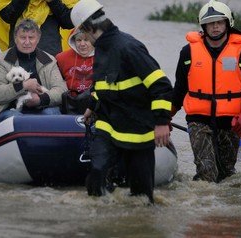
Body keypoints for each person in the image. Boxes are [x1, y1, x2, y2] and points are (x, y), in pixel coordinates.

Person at [71, 0, 173, 204]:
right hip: (109, 123)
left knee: (142, 197)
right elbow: (105, 84)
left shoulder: (128, 47)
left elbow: (161, 85)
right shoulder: (102, 47)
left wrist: (162, 122)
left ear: (89, 28)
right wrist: (92, 106)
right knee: (97, 175)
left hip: (138, 130)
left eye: (83, 31)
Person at [171, 0, 241, 183]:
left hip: (231, 123)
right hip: (198, 121)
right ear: (203, 26)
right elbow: (179, 89)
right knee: (207, 172)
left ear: (228, 24)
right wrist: (164, 117)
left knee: (227, 174)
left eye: (219, 22)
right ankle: (204, 206)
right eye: (211, 23)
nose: (215, 27)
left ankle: (225, 209)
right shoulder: (187, 53)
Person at [0, 18, 67, 128]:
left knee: (52, 114)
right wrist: (23, 86)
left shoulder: (49, 60)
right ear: (15, 39)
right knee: (17, 120)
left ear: (38, 39)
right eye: (23, 37)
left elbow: (61, 90)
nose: (27, 42)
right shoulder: (1, 60)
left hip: (42, 107)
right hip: (10, 109)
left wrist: (40, 99)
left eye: (31, 38)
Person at [0, 0, 78, 56]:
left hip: (49, 55)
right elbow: (8, 17)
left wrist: (52, 1)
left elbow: (68, 22)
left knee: (50, 87)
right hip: (18, 54)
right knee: (16, 87)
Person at [56, 28, 94, 114]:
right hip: (69, 104)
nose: (82, 44)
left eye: (86, 40)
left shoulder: (102, 57)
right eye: (79, 40)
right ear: (73, 41)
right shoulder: (61, 58)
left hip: (94, 104)